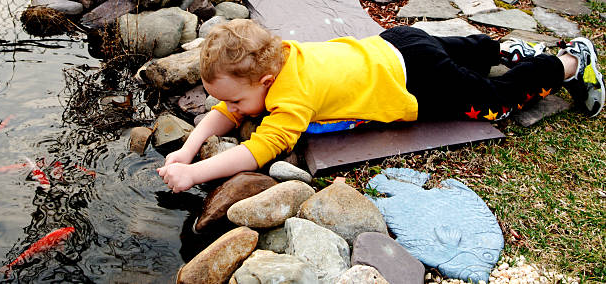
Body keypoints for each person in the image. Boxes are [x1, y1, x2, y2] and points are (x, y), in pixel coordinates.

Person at [157, 19, 604, 193]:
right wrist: (190, 146)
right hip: (396, 43)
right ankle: (504, 50)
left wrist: (194, 174)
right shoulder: (281, 55)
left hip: (416, 78)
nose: (230, 107)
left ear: (267, 83)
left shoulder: (292, 96)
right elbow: (230, 109)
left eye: (235, 98)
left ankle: (567, 64)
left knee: (494, 102)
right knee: (466, 52)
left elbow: (261, 148)